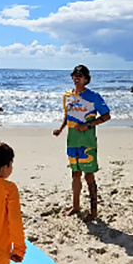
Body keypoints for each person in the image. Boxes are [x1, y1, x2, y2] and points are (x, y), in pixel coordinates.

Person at [53, 65, 111, 220]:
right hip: (72, 141)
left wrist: (88, 125)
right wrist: (60, 128)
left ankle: (93, 211)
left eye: (80, 75)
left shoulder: (94, 96)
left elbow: (106, 116)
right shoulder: (67, 96)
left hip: (87, 141)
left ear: (86, 79)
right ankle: (76, 206)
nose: (76, 77)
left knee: (89, 175)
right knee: (75, 174)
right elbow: (68, 115)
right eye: (74, 74)